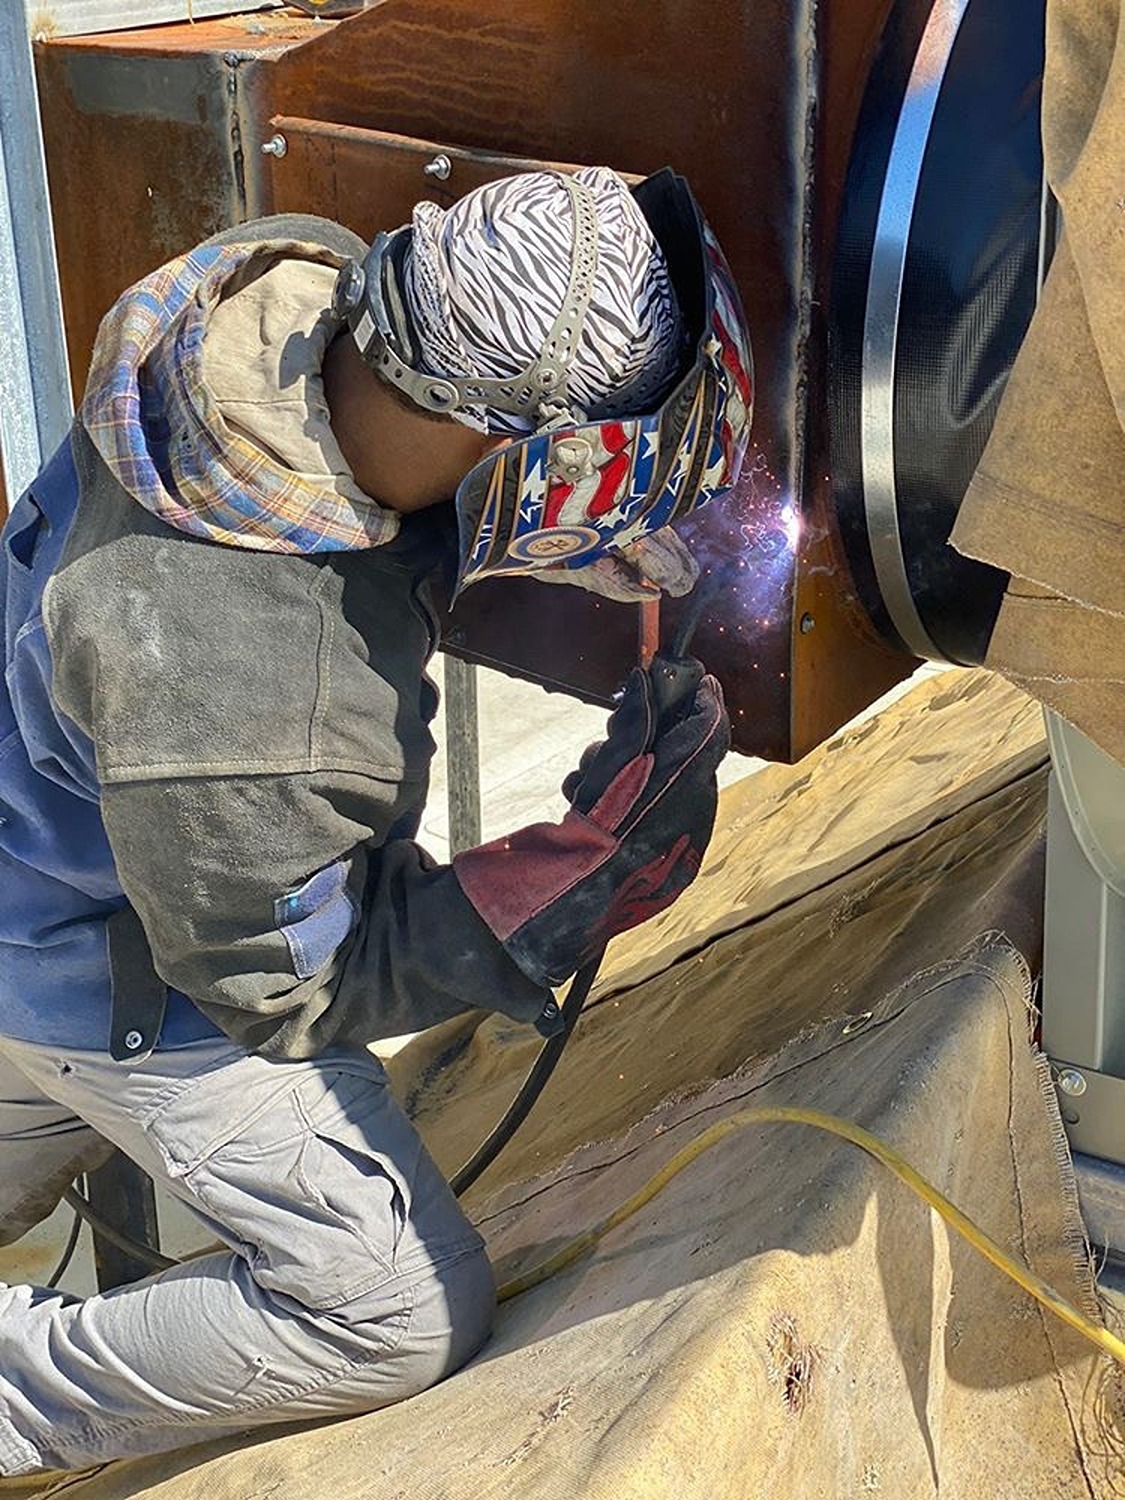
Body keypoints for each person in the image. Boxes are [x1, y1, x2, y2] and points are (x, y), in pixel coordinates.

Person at [0, 164, 752, 1474]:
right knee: (395, 1313)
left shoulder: (286, 291)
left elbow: (383, 482)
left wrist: (513, 529)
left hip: (51, 836)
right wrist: (560, 889)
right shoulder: (245, 699)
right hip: (108, 966)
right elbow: (285, 991)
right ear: (517, 447)